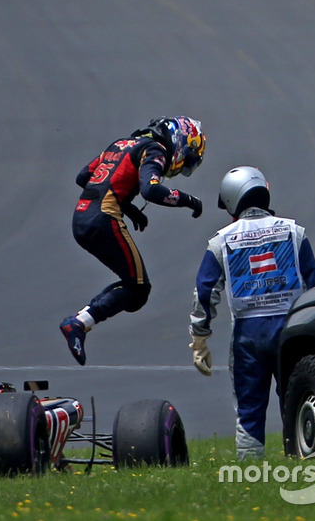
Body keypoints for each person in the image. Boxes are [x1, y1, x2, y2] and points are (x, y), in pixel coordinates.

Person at [188, 166, 315, 459]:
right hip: (292, 330)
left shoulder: (220, 240)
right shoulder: (294, 232)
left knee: (249, 409)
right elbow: (314, 284)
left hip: (248, 335)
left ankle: (249, 473)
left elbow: (205, 293)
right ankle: (303, 457)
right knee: (298, 398)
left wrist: (199, 338)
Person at [60, 116, 206, 366]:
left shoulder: (119, 144)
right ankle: (78, 323)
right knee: (139, 288)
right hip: (103, 219)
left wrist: (128, 206)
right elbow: (151, 190)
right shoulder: (154, 150)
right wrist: (189, 200)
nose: (182, 166)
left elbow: (83, 177)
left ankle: (81, 322)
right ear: (179, 141)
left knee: (134, 286)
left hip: (81, 218)